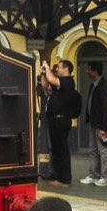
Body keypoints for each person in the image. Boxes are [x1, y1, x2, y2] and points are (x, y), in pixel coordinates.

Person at [41, 58, 78, 187]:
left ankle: (64, 179)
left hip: (61, 119)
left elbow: (52, 80)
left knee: (61, 150)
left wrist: (47, 66)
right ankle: (57, 176)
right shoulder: (59, 85)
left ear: (66, 69)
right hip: (55, 120)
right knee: (57, 150)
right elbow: (46, 86)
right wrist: (44, 73)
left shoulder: (68, 82)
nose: (57, 69)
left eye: (60, 67)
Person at [80, 61, 107, 188]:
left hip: (102, 126)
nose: (87, 72)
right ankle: (94, 175)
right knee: (94, 150)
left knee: (104, 151)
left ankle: (106, 178)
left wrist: (103, 128)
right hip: (94, 124)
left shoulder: (105, 87)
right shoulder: (94, 85)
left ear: (95, 71)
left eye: (89, 69)